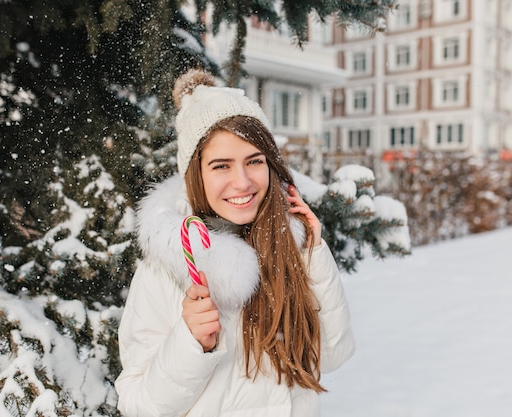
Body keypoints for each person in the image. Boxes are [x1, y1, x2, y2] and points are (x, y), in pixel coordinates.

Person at [115, 69, 355, 417]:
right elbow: (139, 406)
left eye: (254, 161)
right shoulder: (167, 269)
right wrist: (191, 343)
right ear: (195, 174)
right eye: (221, 166)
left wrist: (313, 251)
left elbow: (332, 355)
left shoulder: (291, 251)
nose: (242, 182)